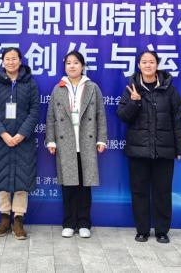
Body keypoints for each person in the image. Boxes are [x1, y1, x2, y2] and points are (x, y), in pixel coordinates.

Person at [117, 50, 181, 244]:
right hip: (138, 150)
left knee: (162, 192)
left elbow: (179, 120)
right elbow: (123, 116)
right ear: (138, 65)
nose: (148, 65)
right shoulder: (131, 88)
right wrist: (134, 102)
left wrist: (180, 148)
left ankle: (162, 231)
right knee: (139, 192)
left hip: (164, 150)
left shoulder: (169, 90)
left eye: (151, 62)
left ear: (157, 65)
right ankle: (142, 230)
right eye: (144, 62)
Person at [45, 51, 107, 239]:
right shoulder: (58, 88)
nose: (72, 66)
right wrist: (51, 140)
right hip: (65, 142)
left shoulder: (92, 87)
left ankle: (84, 222)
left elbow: (100, 115)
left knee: (85, 186)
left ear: (82, 66)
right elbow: (51, 117)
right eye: (68, 63)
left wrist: (101, 139)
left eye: (76, 63)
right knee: (68, 186)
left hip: (86, 141)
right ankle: (69, 223)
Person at [0, 47, 39, 240]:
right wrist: (4, 134)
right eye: (7, 59)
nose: (11, 62)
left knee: (23, 179)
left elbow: (34, 111)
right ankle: (4, 217)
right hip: (1, 141)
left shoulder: (30, 84)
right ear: (2, 62)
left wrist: (22, 134)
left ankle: (18, 219)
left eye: (14, 58)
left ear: (20, 61)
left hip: (24, 141)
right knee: (2, 178)